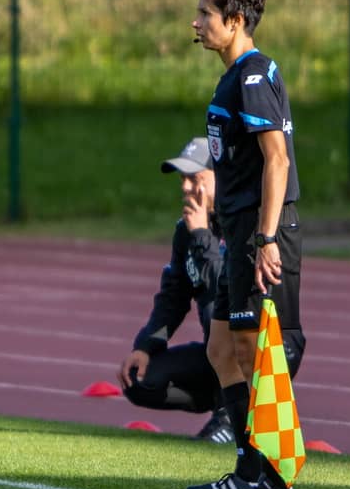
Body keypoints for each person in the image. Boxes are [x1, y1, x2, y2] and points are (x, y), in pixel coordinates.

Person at [183, 0, 306, 489]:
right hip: (239, 230)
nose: (196, 23)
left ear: (234, 21)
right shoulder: (234, 75)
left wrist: (266, 238)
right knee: (220, 349)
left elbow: (276, 161)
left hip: (261, 230)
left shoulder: (253, 76)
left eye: (205, 13)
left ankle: (275, 482)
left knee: (255, 351)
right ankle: (245, 470)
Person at [117, 138, 304, 444]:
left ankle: (235, 414)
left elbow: (231, 295)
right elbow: (173, 295)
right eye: (183, 179)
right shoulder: (188, 231)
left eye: (195, 179)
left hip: (269, 349)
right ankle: (226, 404)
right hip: (221, 350)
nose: (186, 188)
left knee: (218, 312)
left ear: (223, 177)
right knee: (141, 380)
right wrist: (146, 345)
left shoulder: (249, 225)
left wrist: (203, 237)